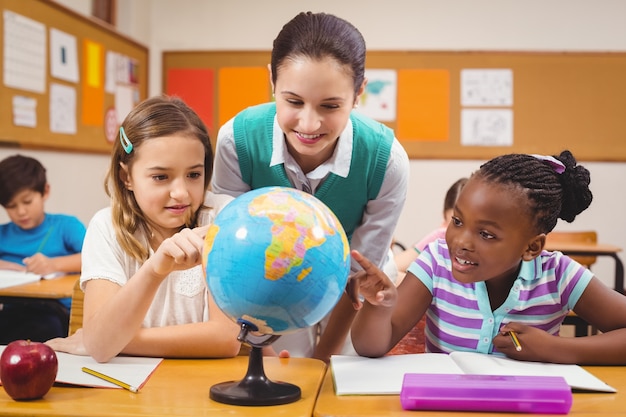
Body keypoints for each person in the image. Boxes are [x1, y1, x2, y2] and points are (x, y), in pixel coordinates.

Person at [210, 11, 410, 362]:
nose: (309, 123)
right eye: (293, 101)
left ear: (359, 92)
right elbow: (229, 255)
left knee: (346, 377)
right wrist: (272, 352)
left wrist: (322, 358)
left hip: (358, 282)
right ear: (272, 80)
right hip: (270, 274)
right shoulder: (236, 141)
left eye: (330, 106)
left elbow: (358, 278)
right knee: (284, 372)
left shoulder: (386, 159)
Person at [349, 150, 626, 365]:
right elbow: (371, 347)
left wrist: (555, 349)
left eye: (486, 234)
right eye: (457, 221)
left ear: (531, 247)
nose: (461, 241)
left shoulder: (557, 275)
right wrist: (378, 307)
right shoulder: (436, 262)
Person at [46, 96, 241, 363]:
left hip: (204, 390)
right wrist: (154, 270)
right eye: (161, 177)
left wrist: (112, 340)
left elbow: (224, 339)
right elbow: (101, 345)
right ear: (126, 176)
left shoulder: (223, 217)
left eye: (194, 174)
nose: (181, 192)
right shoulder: (107, 228)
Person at [0, 154, 85, 343]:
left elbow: (95, 257)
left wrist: (54, 264)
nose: (21, 212)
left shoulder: (65, 226)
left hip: (55, 313)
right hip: (12, 310)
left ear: (45, 191)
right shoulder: (3, 233)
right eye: (11, 206)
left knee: (42, 329)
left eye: (27, 202)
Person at [394, 177, 468, 279]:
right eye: (456, 222)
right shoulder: (439, 238)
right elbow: (391, 269)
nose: (462, 237)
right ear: (444, 217)